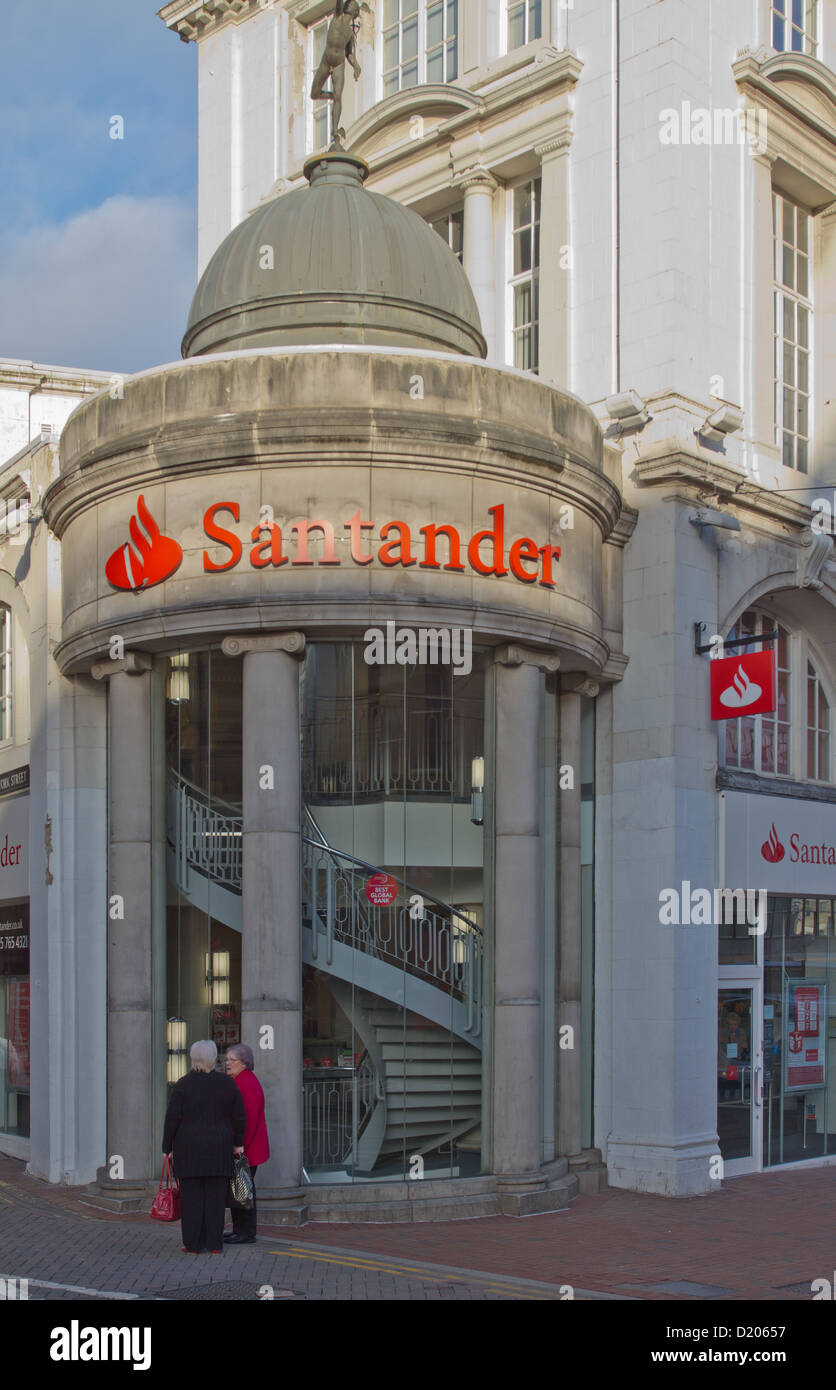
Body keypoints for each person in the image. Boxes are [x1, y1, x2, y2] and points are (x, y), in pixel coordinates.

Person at [162, 1039, 246, 1254]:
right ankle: (214, 1244)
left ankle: (193, 1244)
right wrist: (238, 1144)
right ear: (213, 1058)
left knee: (191, 1199)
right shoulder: (227, 1084)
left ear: (193, 1058)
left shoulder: (183, 1084)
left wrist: (166, 1147)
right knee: (216, 1200)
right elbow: (238, 1117)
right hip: (219, 1148)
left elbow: (172, 1119)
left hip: (188, 1148)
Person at [223, 1042, 270, 1244]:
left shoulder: (247, 1084)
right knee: (240, 1189)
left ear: (244, 1063)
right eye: (226, 1059)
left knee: (242, 1190)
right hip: (246, 1147)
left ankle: (245, 1232)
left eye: (232, 1060)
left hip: (247, 1148)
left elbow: (247, 1120)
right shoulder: (240, 1081)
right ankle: (239, 1230)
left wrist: (238, 1146)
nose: (227, 1063)